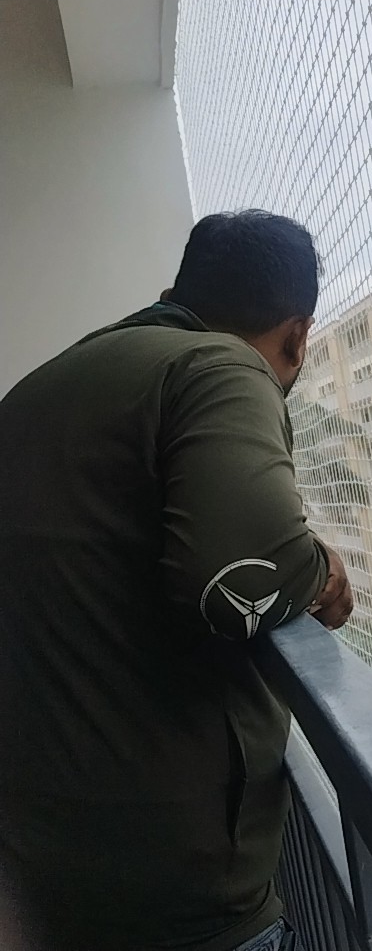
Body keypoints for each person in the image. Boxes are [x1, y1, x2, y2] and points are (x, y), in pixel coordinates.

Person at [0, 210, 353, 951]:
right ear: (297, 336)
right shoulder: (221, 367)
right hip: (176, 894)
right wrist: (322, 570)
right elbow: (239, 573)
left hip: (45, 863)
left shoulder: (38, 390)